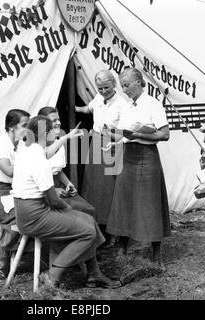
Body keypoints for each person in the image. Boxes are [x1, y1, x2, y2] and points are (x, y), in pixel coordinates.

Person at [12, 115, 120, 288]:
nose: (54, 135)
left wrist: (65, 138)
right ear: (45, 134)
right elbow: (53, 200)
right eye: (52, 133)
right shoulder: (40, 162)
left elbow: (48, 151)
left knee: (88, 220)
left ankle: (94, 274)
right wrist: (68, 209)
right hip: (35, 216)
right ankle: (52, 275)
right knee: (87, 230)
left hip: (26, 212)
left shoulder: (27, 150)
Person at [105, 67, 171, 268]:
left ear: (138, 82)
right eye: (122, 85)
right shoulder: (127, 106)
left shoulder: (153, 104)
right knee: (125, 201)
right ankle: (123, 247)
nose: (124, 90)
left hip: (146, 157)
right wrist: (113, 137)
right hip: (128, 156)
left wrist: (141, 135)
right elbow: (124, 134)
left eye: (126, 85)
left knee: (150, 204)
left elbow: (165, 134)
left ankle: (156, 253)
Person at [75, 70, 127, 247]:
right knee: (93, 186)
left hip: (112, 144)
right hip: (96, 142)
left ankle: (114, 230)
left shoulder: (122, 104)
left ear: (114, 84)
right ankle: (96, 228)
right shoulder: (98, 98)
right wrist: (68, 107)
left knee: (110, 188)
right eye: (100, 88)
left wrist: (112, 134)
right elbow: (87, 109)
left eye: (106, 87)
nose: (103, 91)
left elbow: (125, 130)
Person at [0, 109, 30, 279]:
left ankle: (11, 247)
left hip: (15, 191)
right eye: (24, 126)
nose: (27, 129)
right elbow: (9, 171)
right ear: (11, 127)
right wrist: (34, 164)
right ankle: (4, 249)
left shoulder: (23, 145)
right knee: (20, 215)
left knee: (33, 212)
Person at [38, 106, 94, 216]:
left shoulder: (59, 143)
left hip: (59, 187)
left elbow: (58, 171)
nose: (58, 123)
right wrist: (53, 191)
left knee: (88, 209)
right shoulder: (35, 146)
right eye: (54, 121)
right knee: (76, 213)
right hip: (43, 192)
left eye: (58, 119)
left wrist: (69, 184)